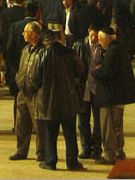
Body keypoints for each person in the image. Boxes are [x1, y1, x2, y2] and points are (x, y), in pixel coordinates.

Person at [33, 28, 85, 171]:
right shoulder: (69, 52)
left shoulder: (41, 54)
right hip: (68, 99)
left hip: (48, 101)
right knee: (70, 134)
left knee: (50, 134)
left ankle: (50, 162)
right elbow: (80, 70)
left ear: (44, 41)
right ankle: (72, 162)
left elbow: (36, 78)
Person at [93, 27, 135, 165]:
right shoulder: (121, 49)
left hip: (109, 95)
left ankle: (109, 155)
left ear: (108, 38)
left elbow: (107, 74)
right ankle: (119, 151)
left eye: (100, 39)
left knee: (108, 126)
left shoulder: (111, 51)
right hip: (120, 95)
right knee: (117, 125)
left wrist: (96, 72)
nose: (99, 42)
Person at [9, 22, 45, 162]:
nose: (23, 34)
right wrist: (19, 79)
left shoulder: (42, 51)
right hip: (23, 91)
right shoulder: (25, 50)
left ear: (34, 34)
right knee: (21, 123)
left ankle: (41, 152)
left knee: (39, 125)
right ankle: (21, 150)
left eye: (26, 31)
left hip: (35, 93)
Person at [75, 25, 103, 160]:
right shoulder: (80, 45)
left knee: (98, 121)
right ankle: (85, 147)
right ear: (88, 32)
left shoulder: (103, 47)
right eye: (92, 36)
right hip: (83, 88)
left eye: (97, 37)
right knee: (83, 120)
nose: (94, 39)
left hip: (97, 89)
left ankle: (97, 148)